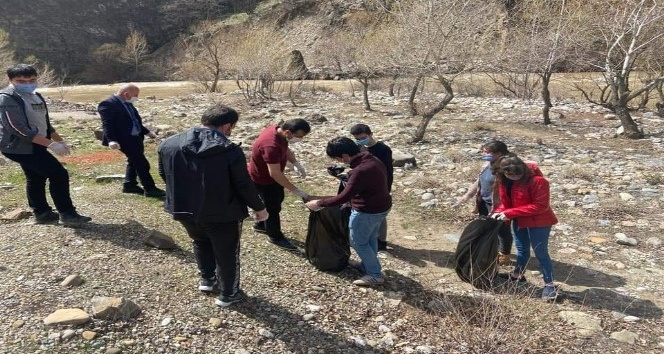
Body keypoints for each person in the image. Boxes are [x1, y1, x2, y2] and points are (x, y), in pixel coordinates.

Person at [158, 104, 268, 308]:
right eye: (232, 127)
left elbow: (164, 174)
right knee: (227, 252)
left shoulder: (169, 144)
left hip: (183, 208)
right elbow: (243, 184)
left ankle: (207, 280)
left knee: (200, 241)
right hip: (222, 212)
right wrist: (259, 207)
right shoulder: (229, 149)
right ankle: (228, 293)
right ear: (227, 125)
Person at [0, 64, 91, 225]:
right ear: (10, 80)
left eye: (32, 80)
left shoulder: (36, 96)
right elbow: (18, 129)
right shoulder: (7, 98)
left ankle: (42, 213)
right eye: (21, 80)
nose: (27, 84)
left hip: (37, 143)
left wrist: (59, 140)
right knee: (58, 174)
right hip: (19, 147)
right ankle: (68, 214)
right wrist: (51, 145)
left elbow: (46, 123)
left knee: (35, 176)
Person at [305, 137, 392, 287]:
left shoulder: (359, 170)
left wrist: (319, 203)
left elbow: (344, 197)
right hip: (382, 208)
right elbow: (365, 184)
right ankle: (368, 265)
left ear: (345, 155)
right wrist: (345, 177)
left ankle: (375, 274)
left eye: (339, 158)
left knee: (357, 241)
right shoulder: (373, 160)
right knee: (370, 239)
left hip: (366, 212)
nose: (340, 161)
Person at [490, 155, 559, 300]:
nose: (515, 177)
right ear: (504, 172)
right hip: (519, 220)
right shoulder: (506, 181)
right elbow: (507, 202)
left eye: (517, 174)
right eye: (510, 175)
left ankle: (550, 284)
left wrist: (509, 213)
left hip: (539, 222)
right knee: (521, 249)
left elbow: (540, 206)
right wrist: (498, 212)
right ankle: (517, 275)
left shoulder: (538, 181)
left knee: (541, 252)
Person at [248, 118, 311, 250]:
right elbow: (275, 173)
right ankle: (275, 236)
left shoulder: (278, 131)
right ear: (288, 132)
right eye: (299, 136)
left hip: (270, 177)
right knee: (272, 208)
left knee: (277, 199)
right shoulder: (270, 145)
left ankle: (261, 224)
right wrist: (294, 190)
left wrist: (295, 163)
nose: (300, 139)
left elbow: (286, 148)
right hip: (263, 179)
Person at [98, 84, 165, 198]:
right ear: (126, 94)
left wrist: (147, 132)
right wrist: (111, 140)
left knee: (133, 161)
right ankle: (150, 188)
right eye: (136, 95)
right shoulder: (108, 104)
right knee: (142, 163)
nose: (137, 98)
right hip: (123, 139)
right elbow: (107, 124)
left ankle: (129, 185)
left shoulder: (128, 103)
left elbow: (135, 121)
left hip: (136, 138)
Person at [456, 140, 513, 265]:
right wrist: (467, 195)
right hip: (484, 202)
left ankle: (504, 255)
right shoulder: (488, 163)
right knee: (486, 227)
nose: (483, 154)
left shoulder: (506, 167)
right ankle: (490, 249)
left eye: (486, 152)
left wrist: (506, 208)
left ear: (498, 153)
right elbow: (479, 181)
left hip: (498, 206)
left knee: (502, 230)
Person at [350, 124, 393, 252]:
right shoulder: (358, 148)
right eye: (357, 139)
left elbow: (387, 171)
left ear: (370, 134)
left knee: (380, 214)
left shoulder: (383, 149)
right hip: (364, 186)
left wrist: (386, 188)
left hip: (380, 186)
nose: (360, 141)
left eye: (362, 138)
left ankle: (381, 242)